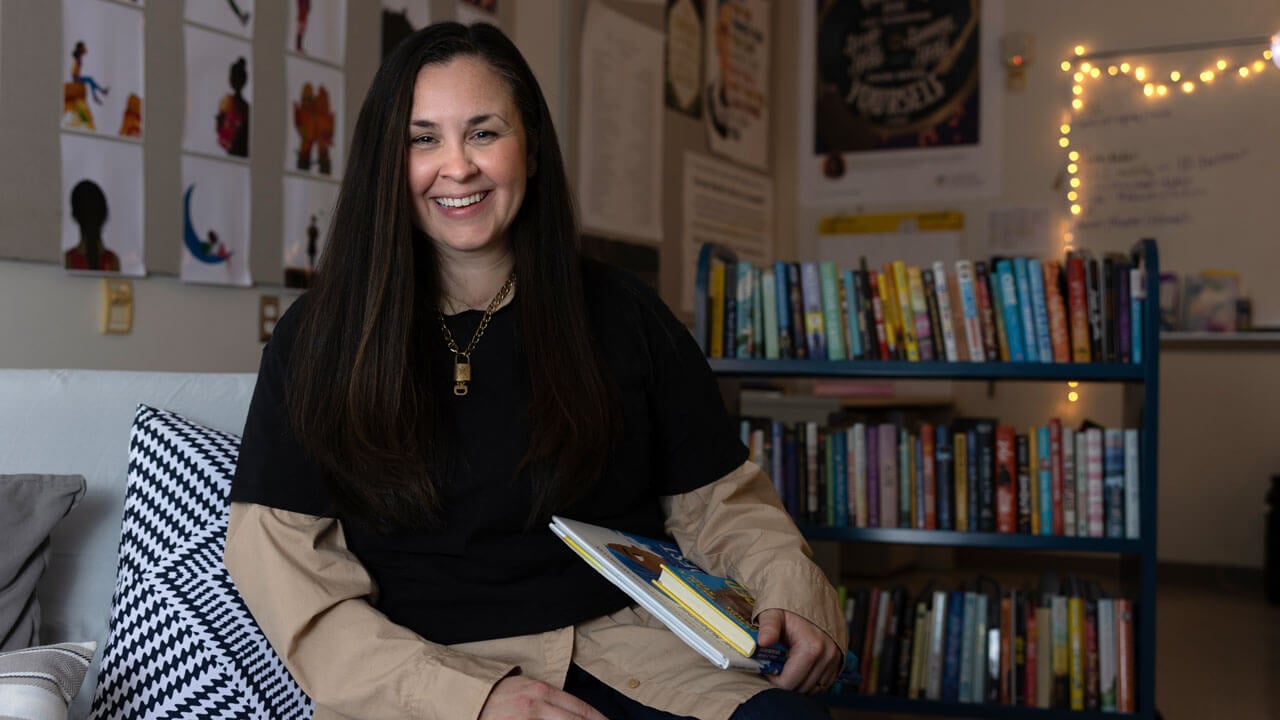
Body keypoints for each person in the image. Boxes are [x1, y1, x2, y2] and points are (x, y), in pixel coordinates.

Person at [225, 21, 846, 720]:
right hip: (422, 683)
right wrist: (478, 698)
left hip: (633, 656)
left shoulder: (625, 312)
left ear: (532, 148)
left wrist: (790, 585)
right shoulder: (315, 340)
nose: (457, 167)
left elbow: (720, 503)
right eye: (422, 139)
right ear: (387, 162)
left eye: (484, 132)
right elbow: (289, 581)